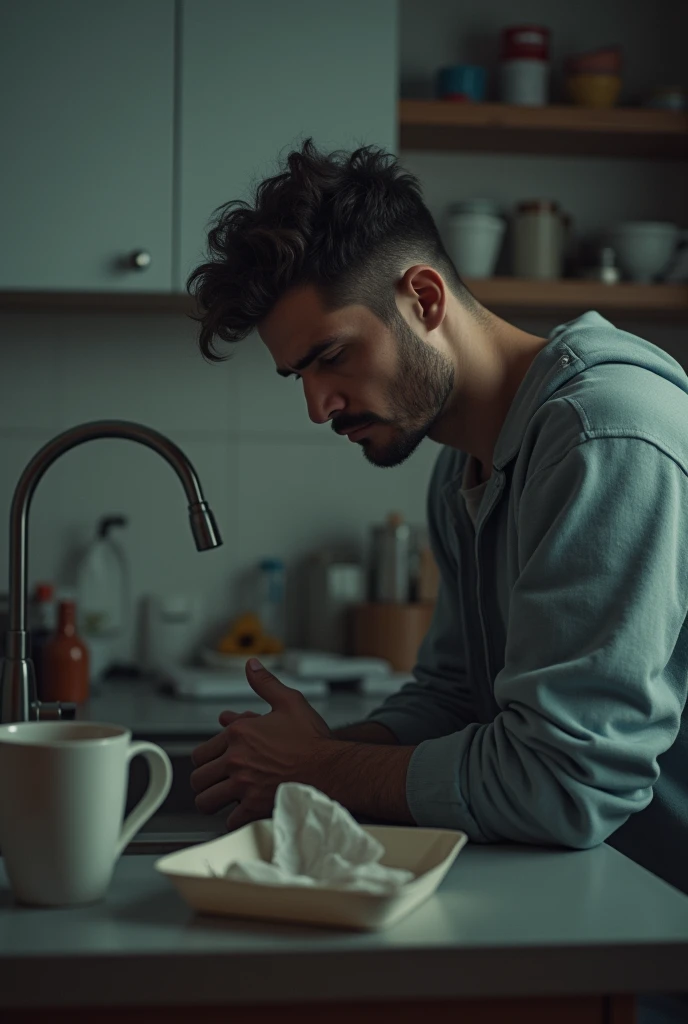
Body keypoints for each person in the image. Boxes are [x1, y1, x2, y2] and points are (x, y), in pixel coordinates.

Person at [187, 138, 688, 977]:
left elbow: (565, 783)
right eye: (297, 378)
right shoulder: (462, 466)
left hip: (659, 933)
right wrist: (304, 767)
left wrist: (323, 770)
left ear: (422, 297)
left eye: (332, 357)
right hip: (590, 906)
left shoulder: (604, 433)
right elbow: (458, 696)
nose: (319, 407)